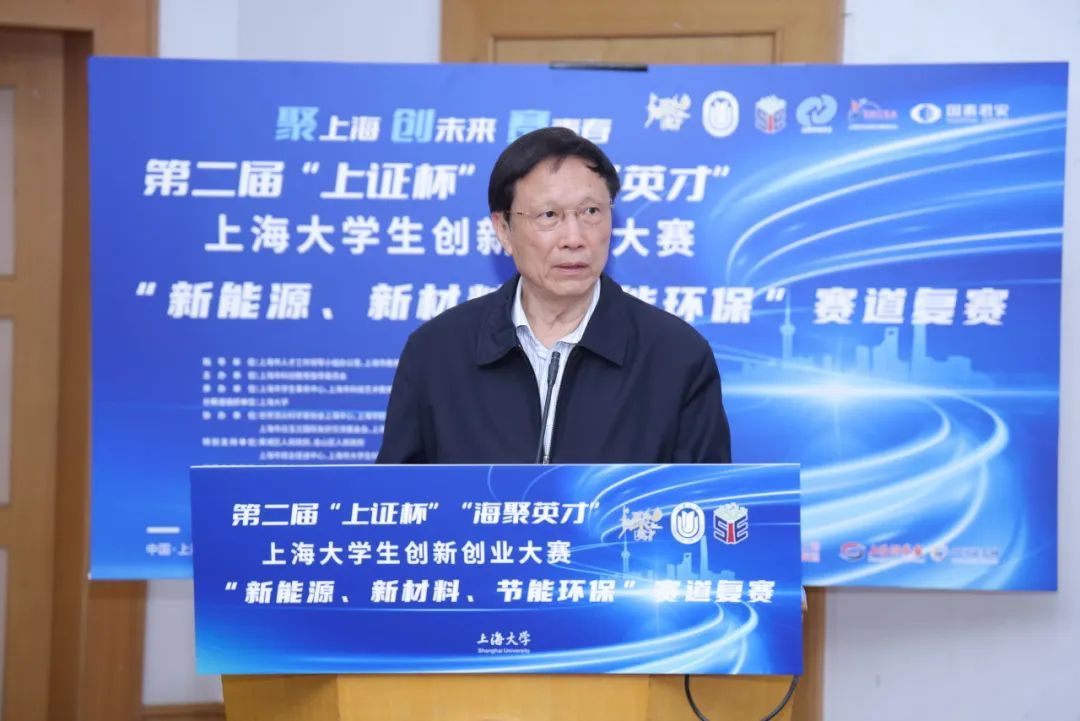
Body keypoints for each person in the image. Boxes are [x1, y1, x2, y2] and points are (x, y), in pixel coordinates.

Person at [376, 126, 730, 464]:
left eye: (591, 212)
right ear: (503, 230)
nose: (574, 238)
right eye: (549, 215)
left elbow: (701, 498)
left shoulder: (676, 356)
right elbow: (397, 497)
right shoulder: (436, 353)